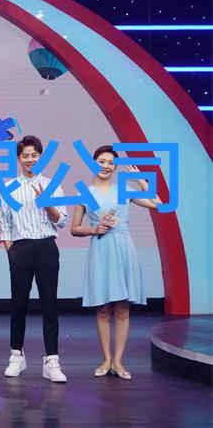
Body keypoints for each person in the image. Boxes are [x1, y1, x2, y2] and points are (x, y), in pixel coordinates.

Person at [70, 145, 160, 380]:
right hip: (101, 248)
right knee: (102, 308)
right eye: (102, 161)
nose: (106, 166)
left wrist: (141, 181)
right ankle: (106, 359)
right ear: (93, 163)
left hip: (123, 248)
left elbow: (157, 203)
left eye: (111, 163)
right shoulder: (84, 193)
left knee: (122, 308)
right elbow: (74, 228)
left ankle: (118, 361)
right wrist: (93, 229)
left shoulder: (124, 190)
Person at [0, 135, 69, 383]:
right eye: (25, 156)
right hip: (20, 248)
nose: (30, 159)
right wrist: (11, 251)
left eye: (34, 155)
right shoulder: (9, 187)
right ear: (18, 159)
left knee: (49, 304)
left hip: (46, 246)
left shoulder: (52, 185)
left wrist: (48, 204)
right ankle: (16, 354)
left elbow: (62, 220)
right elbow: (4, 224)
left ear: (41, 157)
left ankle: (52, 360)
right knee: (18, 304)